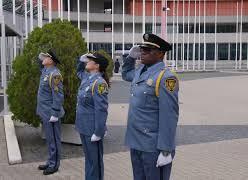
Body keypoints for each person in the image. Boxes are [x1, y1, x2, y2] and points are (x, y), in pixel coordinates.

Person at [122, 33, 179, 180]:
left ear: (160, 54)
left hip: (152, 145)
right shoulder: (140, 71)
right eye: (141, 49)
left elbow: (169, 116)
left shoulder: (166, 78)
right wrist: (130, 58)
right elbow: (125, 74)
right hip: (136, 141)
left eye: (147, 50)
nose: (142, 52)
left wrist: (166, 149)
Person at [75, 52, 110, 180]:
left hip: (92, 129)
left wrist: (99, 131)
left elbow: (101, 109)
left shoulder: (99, 83)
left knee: (94, 163)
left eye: (89, 60)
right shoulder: (87, 77)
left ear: (97, 65)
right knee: (89, 160)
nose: (86, 61)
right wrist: (80, 60)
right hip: (83, 126)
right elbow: (78, 71)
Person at [36, 49, 64, 175]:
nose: (43, 59)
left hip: (51, 113)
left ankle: (54, 164)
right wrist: (41, 57)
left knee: (54, 139)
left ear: (51, 60)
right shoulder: (46, 72)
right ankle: (50, 161)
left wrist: (55, 112)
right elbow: (39, 63)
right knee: (49, 139)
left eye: (46, 57)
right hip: (45, 111)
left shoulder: (55, 74)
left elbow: (58, 95)